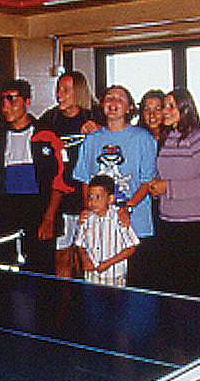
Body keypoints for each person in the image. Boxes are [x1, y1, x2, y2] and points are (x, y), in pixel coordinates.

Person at [73, 85, 157, 287]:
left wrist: (127, 208)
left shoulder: (142, 138)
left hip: (135, 224)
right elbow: (85, 180)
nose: (113, 103)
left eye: (120, 99)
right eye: (109, 98)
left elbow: (147, 182)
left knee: (136, 288)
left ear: (129, 108)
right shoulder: (91, 139)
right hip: (99, 228)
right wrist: (87, 209)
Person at [0, 79, 69, 273]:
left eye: (12, 100)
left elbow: (59, 181)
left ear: (27, 102)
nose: (6, 107)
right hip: (8, 213)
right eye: (3, 101)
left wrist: (49, 218)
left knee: (41, 272)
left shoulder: (47, 136)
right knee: (5, 271)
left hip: (39, 212)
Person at [147, 88, 200, 297]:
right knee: (172, 288)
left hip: (193, 225)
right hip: (168, 222)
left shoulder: (199, 138)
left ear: (185, 109)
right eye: (164, 107)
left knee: (194, 288)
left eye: (171, 106)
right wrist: (157, 189)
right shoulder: (166, 138)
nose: (165, 111)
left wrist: (168, 187)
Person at [36, 71, 100, 276]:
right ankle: (63, 296)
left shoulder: (95, 116)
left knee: (86, 258)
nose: (59, 95)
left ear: (79, 92)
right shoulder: (49, 119)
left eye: (65, 90)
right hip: (61, 200)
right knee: (62, 257)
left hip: (90, 198)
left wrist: (99, 130)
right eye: (58, 90)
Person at [73, 174, 140, 287]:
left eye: (98, 197)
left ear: (110, 199)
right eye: (90, 197)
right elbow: (80, 244)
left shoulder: (120, 218)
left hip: (113, 276)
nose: (93, 202)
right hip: (91, 275)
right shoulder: (86, 219)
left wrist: (107, 264)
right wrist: (84, 259)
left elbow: (130, 249)